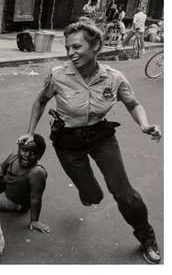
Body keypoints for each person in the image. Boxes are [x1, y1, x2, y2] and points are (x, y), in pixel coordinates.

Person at [18, 19, 162, 264]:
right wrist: (30, 132)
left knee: (124, 193)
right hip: (67, 142)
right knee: (93, 197)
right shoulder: (58, 76)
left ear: (96, 46)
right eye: (67, 48)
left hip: (101, 137)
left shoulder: (114, 78)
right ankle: (87, 191)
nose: (70, 53)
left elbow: (133, 104)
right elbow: (40, 101)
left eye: (76, 47)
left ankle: (147, 238)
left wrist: (145, 124)